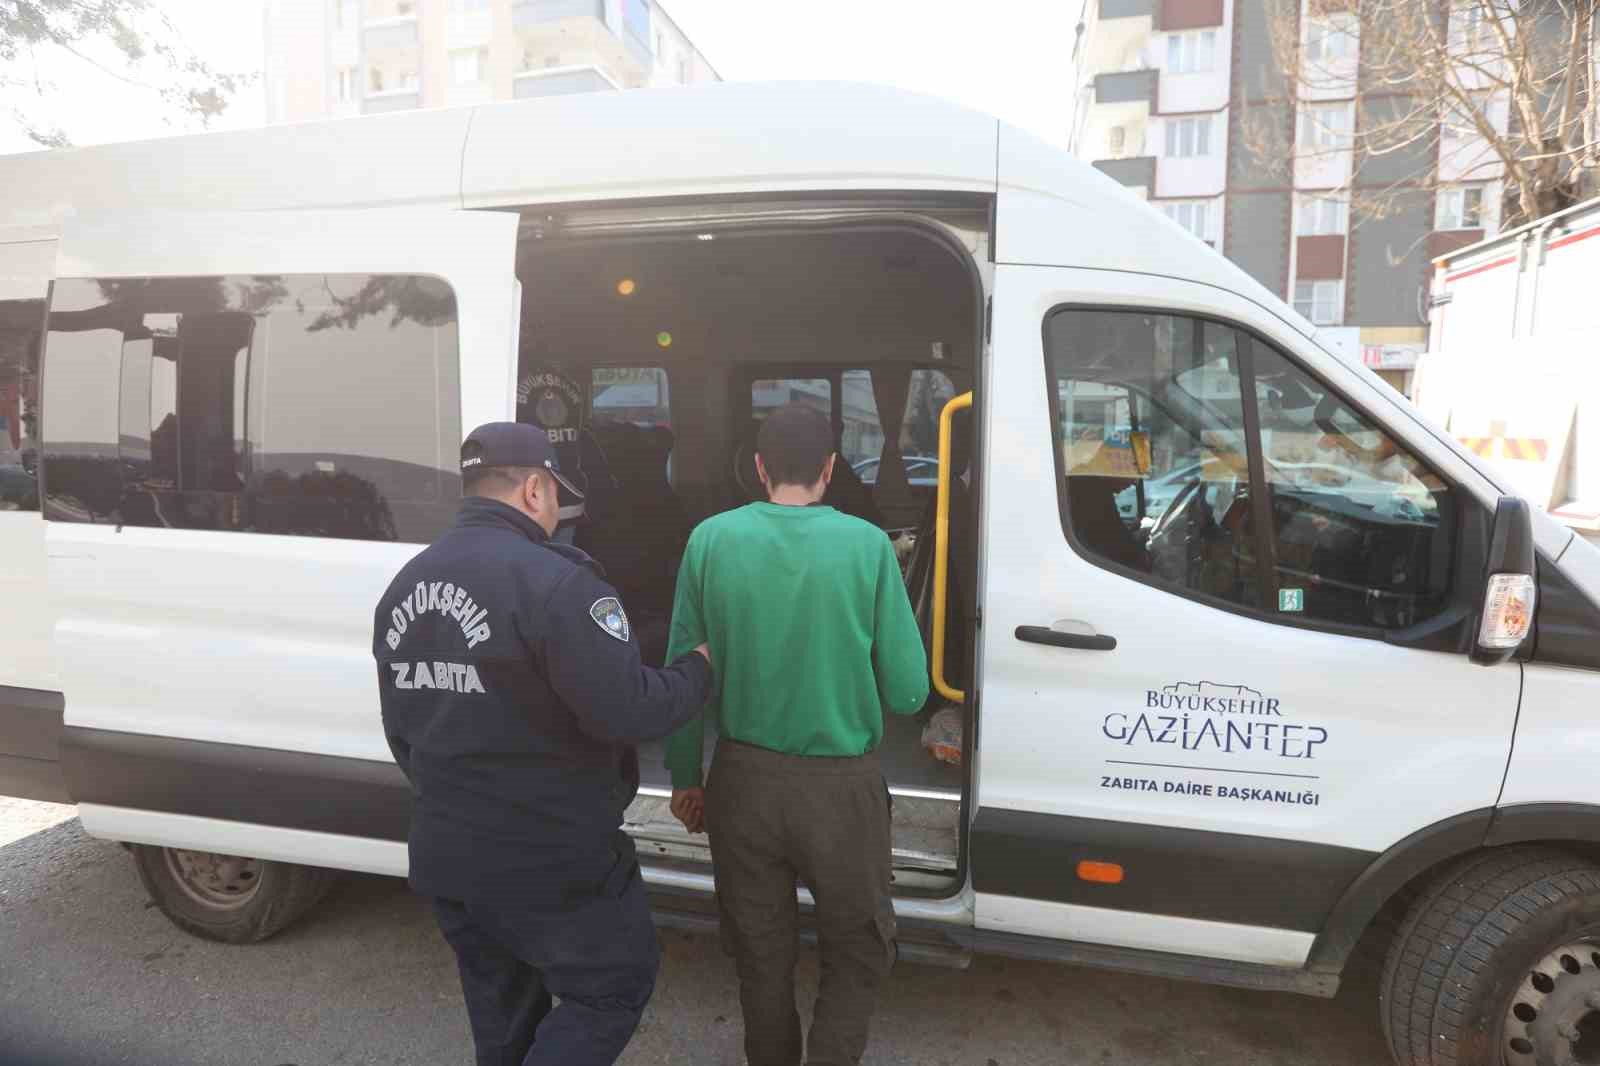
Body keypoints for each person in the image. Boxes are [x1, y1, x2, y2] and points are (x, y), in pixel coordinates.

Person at [372, 421, 712, 1066]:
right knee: (611, 989)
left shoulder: (407, 585)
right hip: (550, 856)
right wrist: (701, 668)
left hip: (449, 851)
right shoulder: (559, 582)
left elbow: (402, 731)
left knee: (505, 1018)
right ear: (534, 489)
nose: (559, 507)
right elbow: (628, 710)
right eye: (557, 491)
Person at [662, 403, 930, 1066]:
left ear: (757, 469)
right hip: (842, 791)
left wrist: (684, 779)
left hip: (742, 784)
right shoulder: (867, 545)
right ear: (832, 469)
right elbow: (908, 691)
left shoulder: (711, 540)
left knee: (760, 957)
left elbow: (682, 675)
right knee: (857, 949)